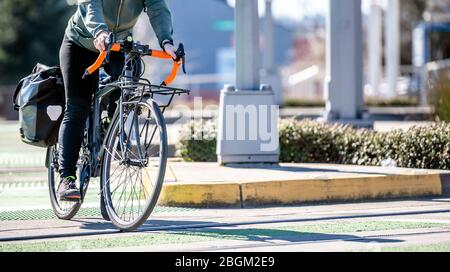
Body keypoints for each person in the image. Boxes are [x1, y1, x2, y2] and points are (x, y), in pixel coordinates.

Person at [57, 0, 177, 201]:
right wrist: (100, 32)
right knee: (77, 109)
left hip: (119, 44)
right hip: (82, 42)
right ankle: (66, 178)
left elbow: (157, 8)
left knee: (131, 80)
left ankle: (109, 124)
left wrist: (166, 41)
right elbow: (91, 7)